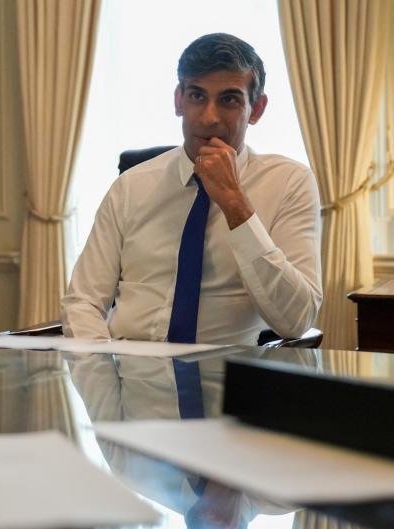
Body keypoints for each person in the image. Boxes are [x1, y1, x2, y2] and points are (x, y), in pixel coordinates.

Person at [61, 33, 321, 345]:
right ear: (178, 100)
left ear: (257, 109)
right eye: (197, 96)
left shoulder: (289, 183)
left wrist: (235, 203)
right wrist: (101, 377)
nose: (209, 118)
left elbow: (296, 320)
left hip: (228, 382)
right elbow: (84, 302)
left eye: (229, 99)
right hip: (128, 377)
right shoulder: (131, 187)